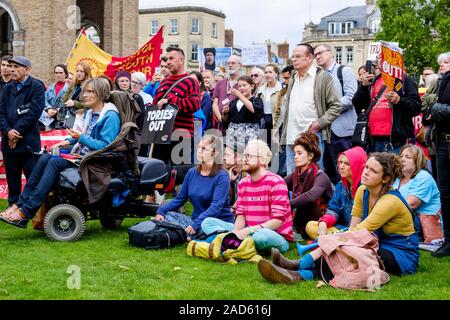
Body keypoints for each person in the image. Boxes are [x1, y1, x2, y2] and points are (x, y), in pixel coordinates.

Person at [258, 153, 420, 284]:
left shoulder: (390, 201)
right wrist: (335, 240)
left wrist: (329, 242)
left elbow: (359, 231)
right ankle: (298, 273)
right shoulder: (363, 190)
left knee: (350, 252)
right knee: (345, 250)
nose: (366, 172)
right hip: (374, 243)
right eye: (366, 167)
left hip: (400, 254)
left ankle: (299, 267)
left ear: (385, 179)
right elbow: (352, 229)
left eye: (373, 171)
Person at [0, 77, 120, 227]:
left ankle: (26, 212)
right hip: (83, 157)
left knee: (54, 162)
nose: (85, 95)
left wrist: (80, 137)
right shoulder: (90, 113)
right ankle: (20, 204)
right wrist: (69, 141)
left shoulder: (110, 116)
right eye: (85, 91)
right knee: (45, 158)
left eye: (90, 92)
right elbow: (83, 138)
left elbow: (105, 145)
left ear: (101, 94)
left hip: (96, 163)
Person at [201, 140, 294, 253]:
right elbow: (241, 215)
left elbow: (277, 221)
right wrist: (235, 232)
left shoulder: (276, 182)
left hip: (274, 234)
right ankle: (237, 242)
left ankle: (237, 243)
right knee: (207, 222)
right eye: (244, 155)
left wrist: (248, 231)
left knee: (260, 237)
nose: (244, 159)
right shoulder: (243, 183)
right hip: (248, 231)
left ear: (263, 160)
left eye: (249, 156)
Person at [154, 135, 234, 239]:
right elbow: (180, 198)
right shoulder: (192, 172)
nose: (199, 151)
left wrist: (196, 224)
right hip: (195, 221)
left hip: (214, 222)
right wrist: (161, 211)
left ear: (215, 153)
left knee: (206, 224)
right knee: (166, 216)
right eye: (198, 147)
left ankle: (190, 234)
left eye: (204, 148)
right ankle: (189, 234)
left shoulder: (222, 176)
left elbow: (216, 207)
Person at [280, 43, 342, 175]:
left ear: (309, 58)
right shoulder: (293, 79)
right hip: (291, 138)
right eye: (293, 57)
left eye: (298, 56)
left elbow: (336, 106)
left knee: (313, 178)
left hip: (312, 137)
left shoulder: (322, 77)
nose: (293, 60)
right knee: (293, 179)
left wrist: (319, 124)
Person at [0, 56, 45, 209]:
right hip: (9, 144)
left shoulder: (37, 87)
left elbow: (33, 113)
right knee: (12, 178)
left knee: (32, 177)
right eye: (11, 66)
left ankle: (32, 208)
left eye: (16, 67)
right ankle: (13, 205)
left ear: (27, 70)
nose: (12, 69)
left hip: (28, 143)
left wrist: (16, 133)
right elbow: (1, 113)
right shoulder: (7, 88)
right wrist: (7, 132)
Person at [352, 56, 421, 154]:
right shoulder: (373, 81)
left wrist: (399, 100)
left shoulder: (404, 79)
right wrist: (363, 87)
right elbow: (359, 106)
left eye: (383, 56)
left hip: (396, 142)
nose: (380, 59)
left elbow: (416, 107)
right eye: (379, 57)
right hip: (373, 141)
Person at [314, 44, 358, 185]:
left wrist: (329, 110)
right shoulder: (319, 76)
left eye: (320, 53)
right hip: (325, 132)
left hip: (342, 131)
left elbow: (351, 97)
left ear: (331, 53)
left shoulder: (344, 71)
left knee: (346, 172)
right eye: (315, 55)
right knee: (329, 172)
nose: (318, 56)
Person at [305, 146, 367, 239]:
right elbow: (334, 209)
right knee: (310, 226)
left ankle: (330, 241)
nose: (341, 167)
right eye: (340, 162)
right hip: (343, 229)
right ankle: (333, 241)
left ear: (356, 165)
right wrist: (324, 222)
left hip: (361, 232)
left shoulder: (366, 188)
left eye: (346, 163)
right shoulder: (340, 186)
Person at [152, 46, 200, 164]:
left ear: (181, 60)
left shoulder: (190, 81)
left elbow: (194, 105)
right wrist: (152, 106)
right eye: (166, 59)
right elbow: (155, 104)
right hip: (161, 137)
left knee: (179, 176)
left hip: (182, 137)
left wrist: (171, 101)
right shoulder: (164, 82)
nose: (167, 62)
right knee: (158, 173)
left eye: (171, 58)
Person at [283, 132, 333, 239]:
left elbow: (311, 196)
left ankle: (299, 230)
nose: (295, 157)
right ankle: (298, 229)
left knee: (307, 201)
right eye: (295, 153)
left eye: (299, 153)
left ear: (310, 156)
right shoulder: (296, 174)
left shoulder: (320, 175)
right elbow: (279, 184)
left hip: (322, 220)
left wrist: (286, 204)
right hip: (307, 218)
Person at [393, 144, 442, 244]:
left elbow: (410, 204)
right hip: (403, 217)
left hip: (420, 222)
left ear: (417, 161)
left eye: (408, 157)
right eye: (401, 156)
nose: (402, 159)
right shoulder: (398, 178)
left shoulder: (423, 177)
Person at [429, 51, 450, 257]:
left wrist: (436, 107)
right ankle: (448, 239)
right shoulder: (440, 82)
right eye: (440, 63)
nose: (442, 65)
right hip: (442, 143)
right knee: (445, 193)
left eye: (446, 62)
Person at [223, 75, 263, 147]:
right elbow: (226, 120)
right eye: (239, 86)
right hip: (233, 135)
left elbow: (254, 110)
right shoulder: (234, 101)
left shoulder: (256, 100)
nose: (241, 88)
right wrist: (225, 113)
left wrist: (240, 96)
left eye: (244, 85)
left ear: (252, 86)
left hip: (250, 135)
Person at [212, 55, 242, 132]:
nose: (230, 65)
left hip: (237, 125)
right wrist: (220, 118)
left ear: (240, 65)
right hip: (221, 124)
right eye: (228, 63)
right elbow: (215, 103)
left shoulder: (243, 83)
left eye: (233, 63)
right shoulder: (220, 83)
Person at [257, 63, 283, 148]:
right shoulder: (260, 90)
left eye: (270, 72)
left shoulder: (282, 89)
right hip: (264, 121)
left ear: (276, 74)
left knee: (276, 148)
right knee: (264, 147)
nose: (267, 75)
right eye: (266, 72)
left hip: (277, 121)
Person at [40, 64, 69, 129]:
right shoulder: (50, 88)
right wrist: (49, 109)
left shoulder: (69, 89)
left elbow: (70, 105)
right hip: (49, 121)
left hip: (63, 122)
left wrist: (56, 111)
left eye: (61, 73)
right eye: (56, 73)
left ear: (66, 74)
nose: (58, 75)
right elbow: (44, 100)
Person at [223, 141, 245, 207]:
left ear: (238, 157)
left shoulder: (248, 175)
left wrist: (232, 209)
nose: (223, 158)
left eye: (227, 155)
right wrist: (228, 181)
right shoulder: (223, 173)